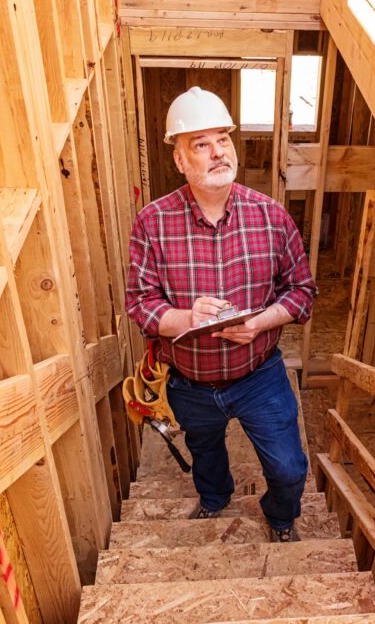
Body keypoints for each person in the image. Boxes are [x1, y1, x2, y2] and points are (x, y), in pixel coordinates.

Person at [125, 86, 317, 542]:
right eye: (201, 144)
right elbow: (140, 303)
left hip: (259, 375)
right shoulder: (152, 223)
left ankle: (280, 515)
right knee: (205, 450)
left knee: (289, 468)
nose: (217, 153)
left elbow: (302, 292)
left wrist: (259, 324)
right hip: (190, 382)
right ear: (180, 161)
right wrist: (186, 319)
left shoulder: (271, 217)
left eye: (223, 140)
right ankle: (214, 498)